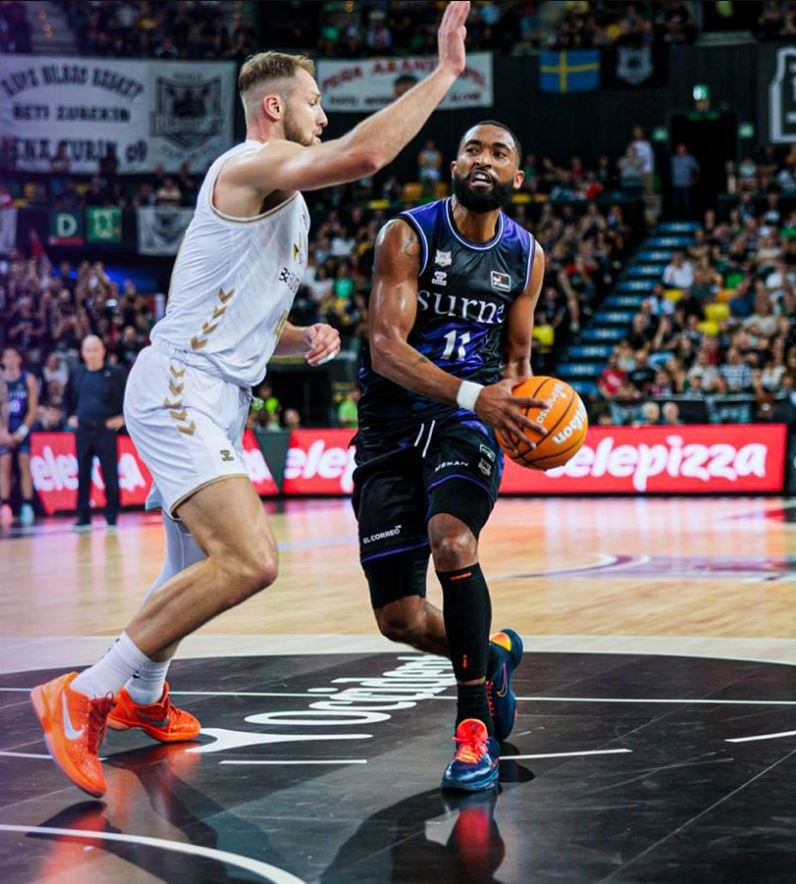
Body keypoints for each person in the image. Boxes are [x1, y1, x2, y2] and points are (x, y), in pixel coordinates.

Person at [29, 1, 474, 799]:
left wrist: (301, 337)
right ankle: (85, 692)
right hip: (180, 388)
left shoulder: (286, 205)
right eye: (313, 102)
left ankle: (142, 694)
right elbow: (366, 153)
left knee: (190, 567)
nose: (322, 114)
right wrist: (444, 72)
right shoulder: (245, 167)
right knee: (250, 561)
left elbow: (249, 324)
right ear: (274, 106)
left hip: (214, 390)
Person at [354, 119, 545, 792]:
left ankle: (472, 731)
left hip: (466, 423)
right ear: (455, 166)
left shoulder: (526, 255)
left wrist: (525, 419)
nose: (484, 159)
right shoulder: (407, 235)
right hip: (390, 425)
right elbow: (386, 348)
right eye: (472, 150)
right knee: (400, 619)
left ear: (516, 176)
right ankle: (489, 658)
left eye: (499, 152)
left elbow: (516, 361)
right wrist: (476, 395)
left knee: (453, 539)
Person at [65, 335, 128, 530]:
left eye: (96, 349)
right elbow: (67, 399)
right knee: (83, 474)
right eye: (88, 350)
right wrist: (70, 416)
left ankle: (112, 517)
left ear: (103, 351)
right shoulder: (77, 372)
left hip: (105, 430)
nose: (92, 354)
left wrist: (122, 418)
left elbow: (130, 398)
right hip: (83, 430)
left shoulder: (116, 373)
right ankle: (83, 518)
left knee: (110, 474)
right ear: (82, 353)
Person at [1, 346, 39, 527]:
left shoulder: (28, 379)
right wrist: (3, 432)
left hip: (22, 427)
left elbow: (33, 410)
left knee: (25, 464)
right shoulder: (1, 380)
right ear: (3, 361)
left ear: (19, 359)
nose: (10, 360)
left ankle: (27, 504)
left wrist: (22, 431)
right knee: (4, 466)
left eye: (13, 356)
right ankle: (5, 504)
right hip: (4, 428)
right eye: (7, 357)